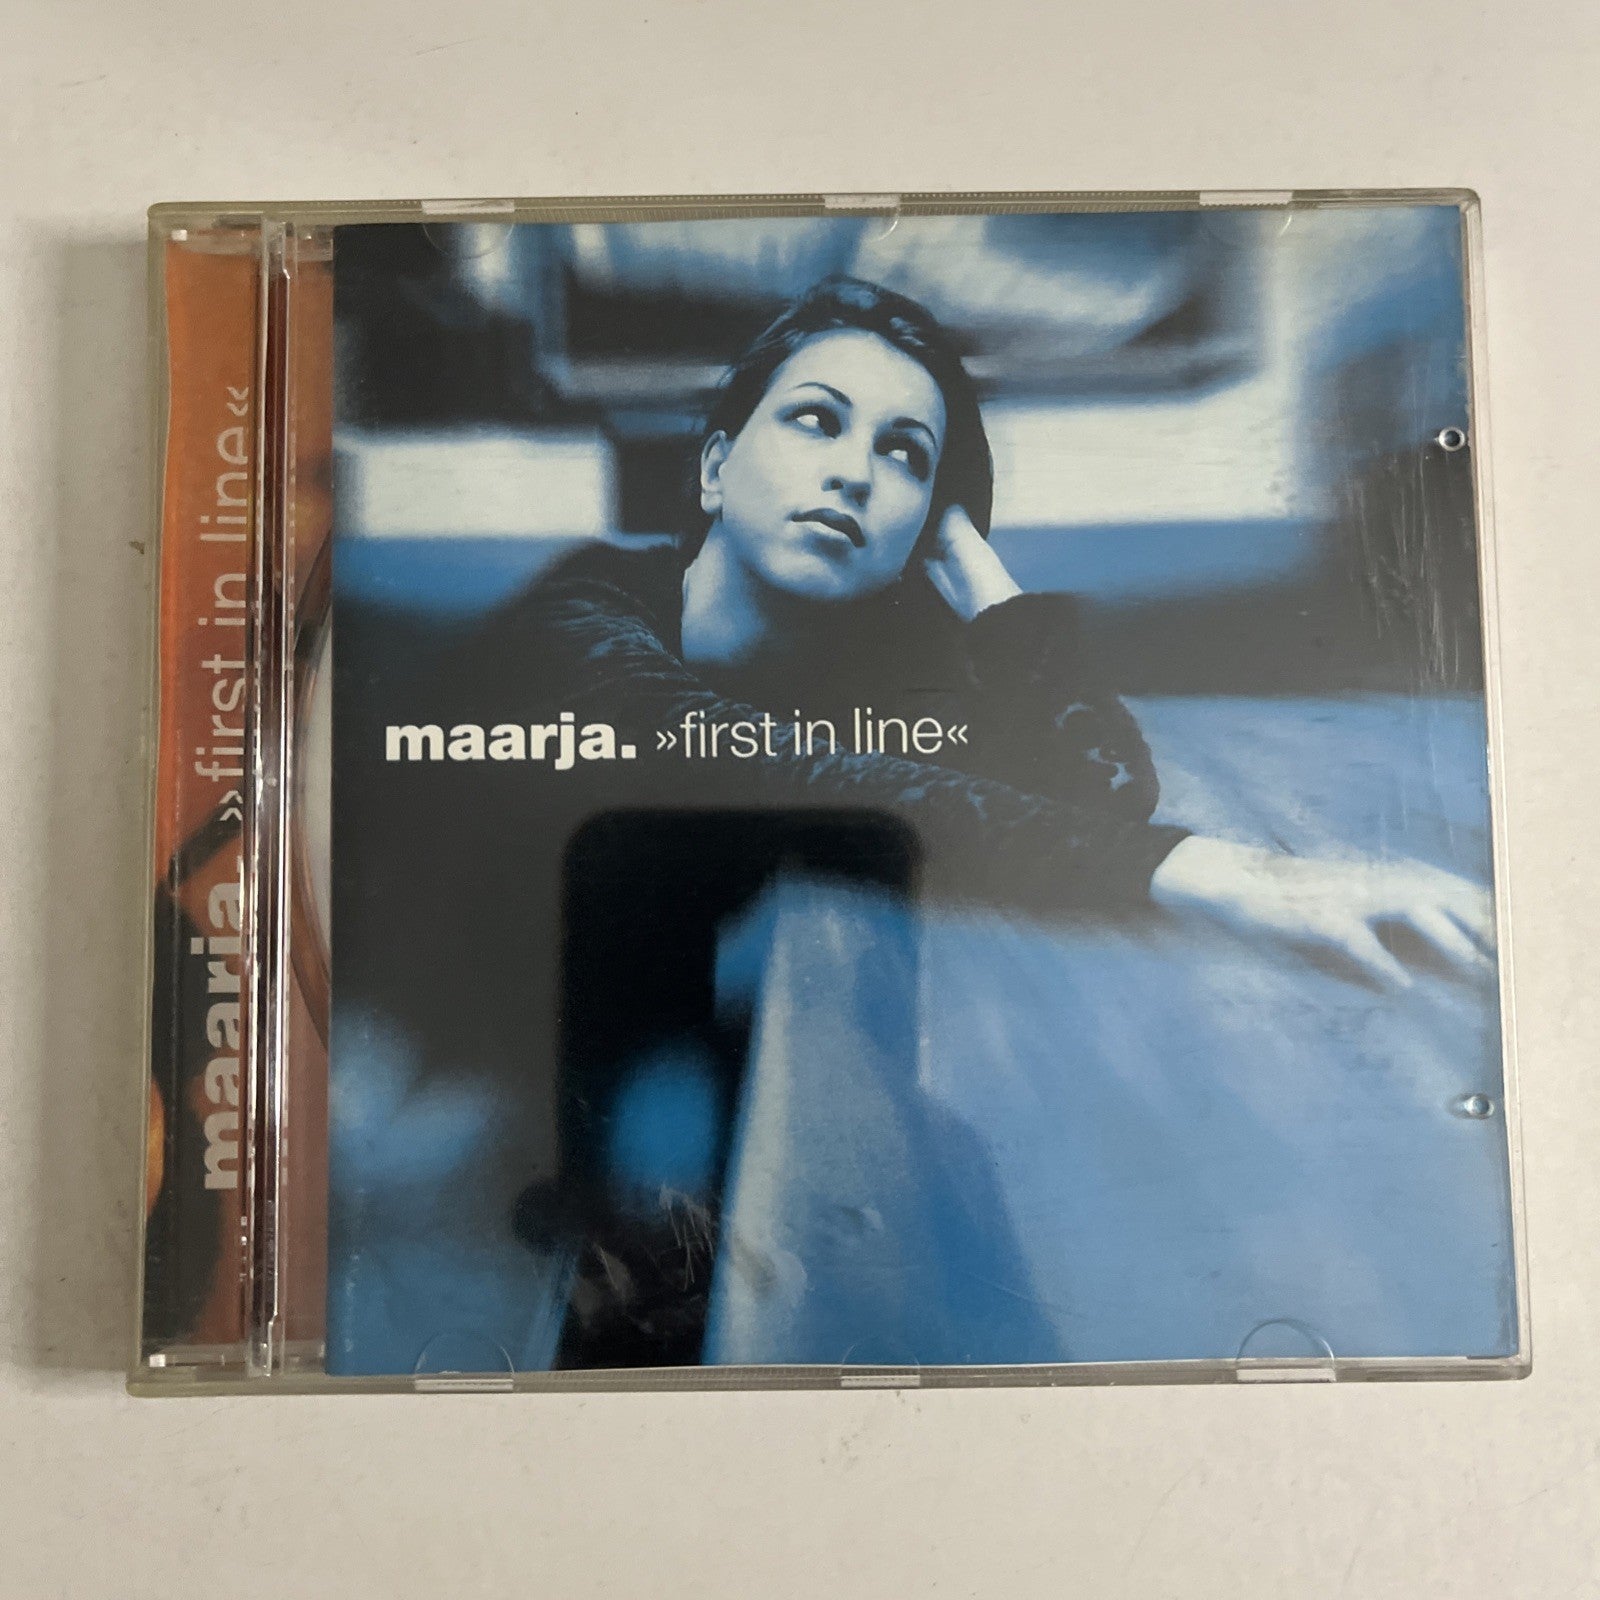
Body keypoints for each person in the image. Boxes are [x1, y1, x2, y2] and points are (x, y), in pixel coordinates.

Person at [340, 275, 1493, 1367]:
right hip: (385, 1112)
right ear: (714, 466)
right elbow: (765, 766)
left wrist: (970, 567)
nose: (853, 473)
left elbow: (1095, 787)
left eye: (904, 455)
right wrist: (1205, 869)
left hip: (585, 1093)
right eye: (815, 421)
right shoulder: (582, 623)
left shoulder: (855, 675)